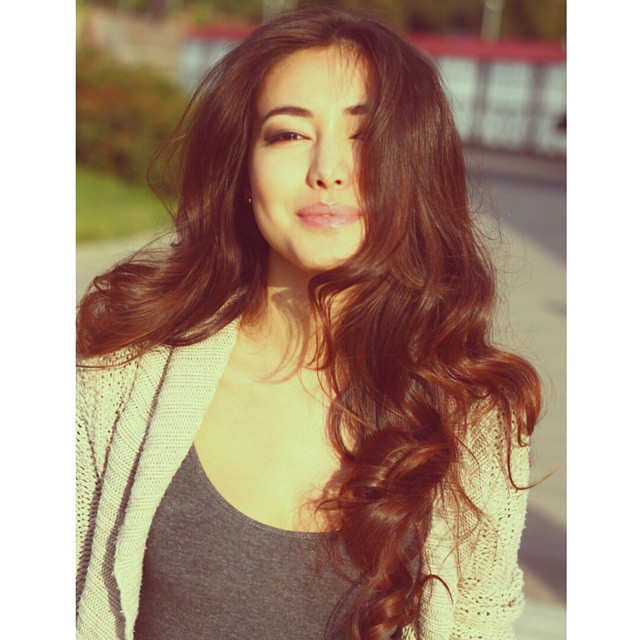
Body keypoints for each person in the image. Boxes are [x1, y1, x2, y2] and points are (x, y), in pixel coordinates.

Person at [76, 6, 541, 640]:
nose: (329, 169)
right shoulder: (119, 370)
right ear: (243, 168)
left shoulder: (475, 414)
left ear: (417, 165)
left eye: (366, 135)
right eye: (289, 134)